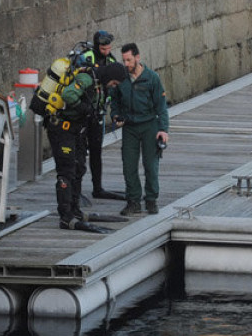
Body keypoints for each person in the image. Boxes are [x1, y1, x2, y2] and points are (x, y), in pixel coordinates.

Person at [41, 61, 112, 233]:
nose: (113, 86)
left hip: (75, 129)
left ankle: (75, 210)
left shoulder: (97, 83)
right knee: (66, 171)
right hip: (61, 129)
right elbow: (69, 95)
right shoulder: (87, 79)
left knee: (79, 167)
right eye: (114, 82)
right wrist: (85, 108)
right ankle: (65, 216)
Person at [109, 43, 170, 216]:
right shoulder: (121, 79)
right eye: (124, 60)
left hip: (149, 125)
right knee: (129, 165)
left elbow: (161, 107)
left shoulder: (152, 78)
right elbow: (114, 100)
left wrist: (163, 130)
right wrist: (115, 115)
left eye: (129, 60)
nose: (126, 64)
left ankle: (151, 199)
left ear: (137, 57)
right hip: (129, 127)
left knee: (151, 164)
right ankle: (133, 201)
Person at [79, 30, 126, 201]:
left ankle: (97, 187)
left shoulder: (111, 60)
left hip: (98, 111)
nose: (107, 51)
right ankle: (76, 188)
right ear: (97, 46)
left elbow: (115, 87)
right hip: (82, 111)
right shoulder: (87, 57)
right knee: (80, 152)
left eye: (109, 48)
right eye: (103, 48)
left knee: (96, 151)